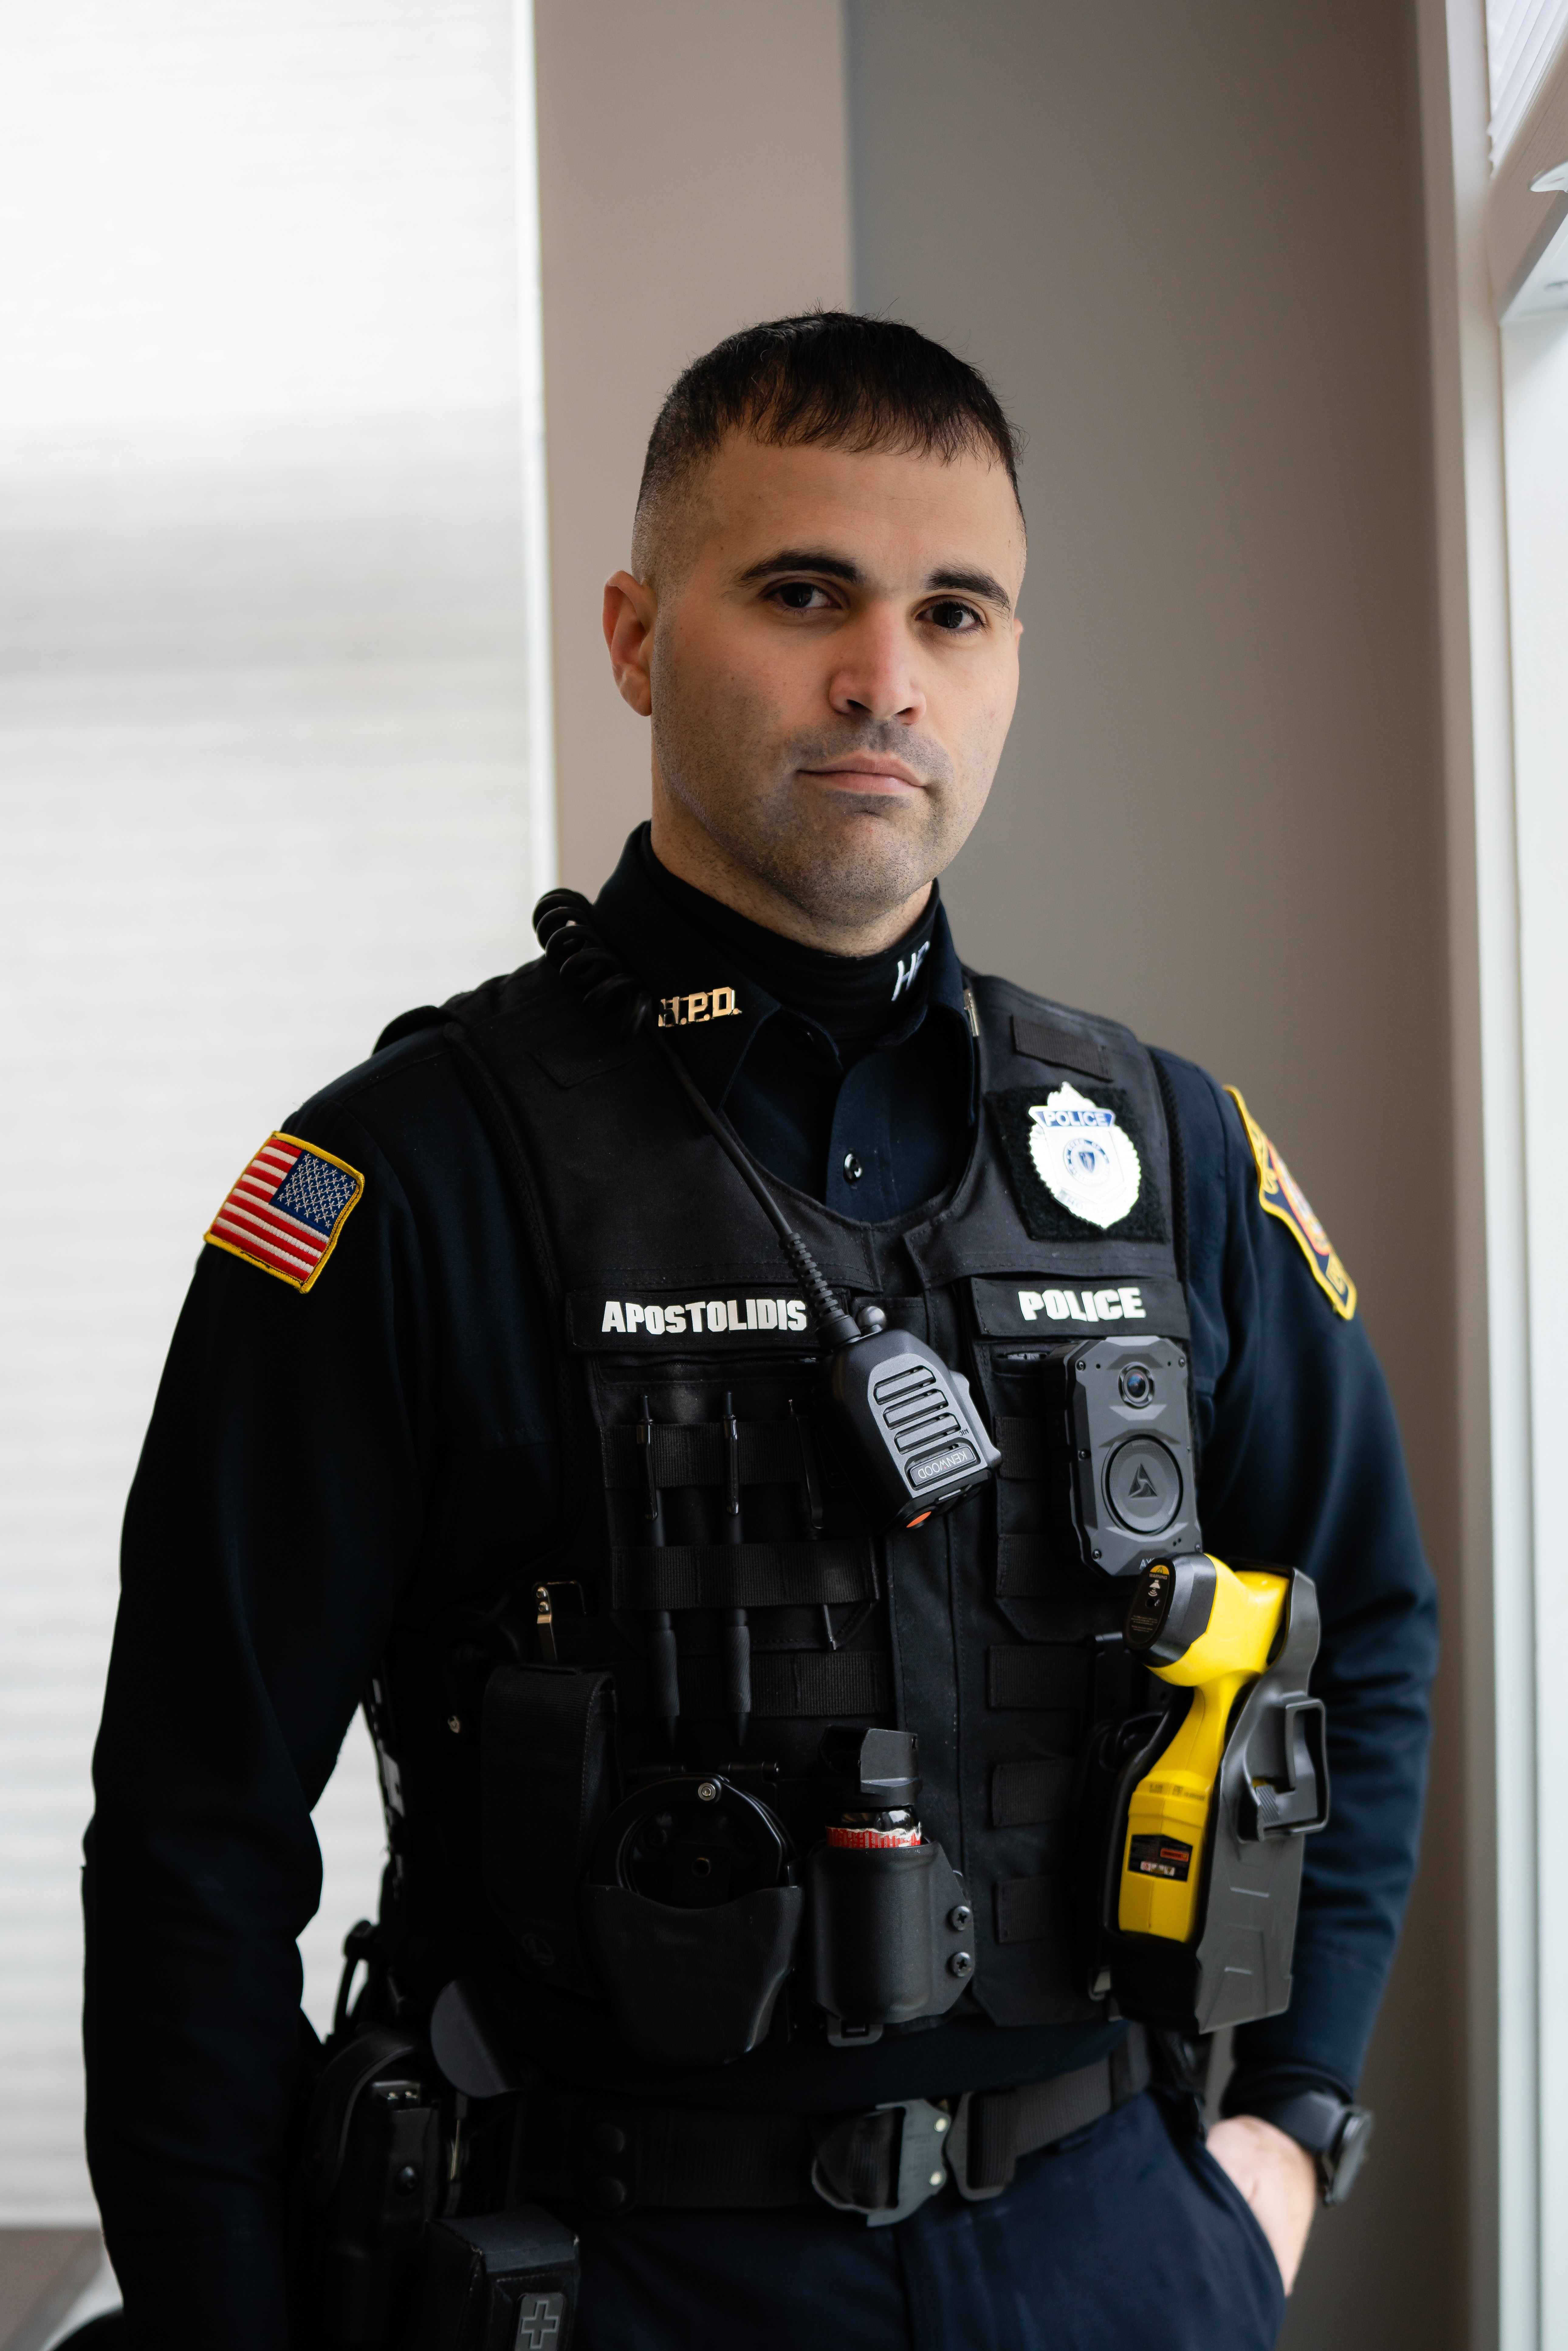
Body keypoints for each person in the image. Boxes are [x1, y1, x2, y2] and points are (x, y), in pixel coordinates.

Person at [83, 313, 1437, 2351]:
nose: (885, 676)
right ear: (636, 635)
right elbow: (195, 1841)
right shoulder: (401, 1184)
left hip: (1115, 2256)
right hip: (605, 2274)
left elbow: (1371, 1624)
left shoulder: (1167, 1152)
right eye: (803, 591)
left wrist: (1294, 2134)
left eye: (954, 610)